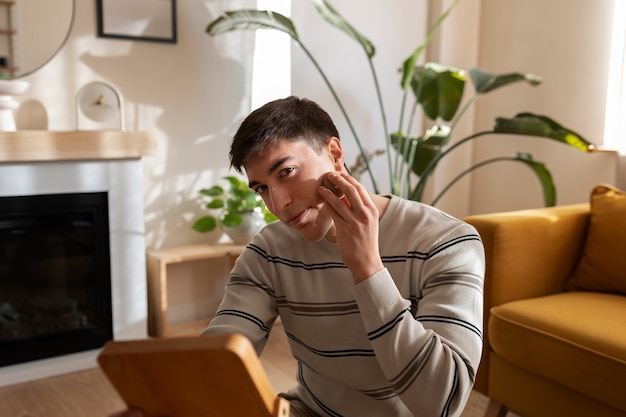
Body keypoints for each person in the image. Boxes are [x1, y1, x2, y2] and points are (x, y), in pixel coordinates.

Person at [114, 96, 484, 417]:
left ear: (335, 155)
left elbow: (442, 402)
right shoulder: (269, 251)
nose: (278, 205)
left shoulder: (446, 242)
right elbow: (219, 357)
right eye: (262, 189)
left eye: (287, 172)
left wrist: (368, 270)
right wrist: (168, 401)